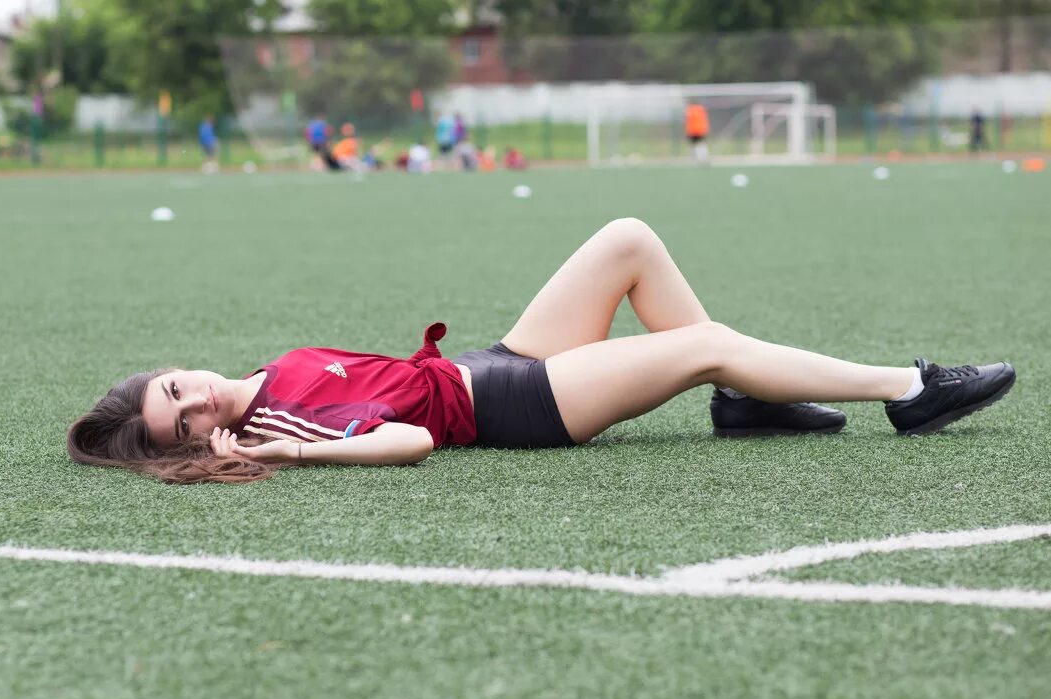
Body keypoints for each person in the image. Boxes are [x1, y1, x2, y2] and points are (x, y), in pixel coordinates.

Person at [68, 219, 1016, 484]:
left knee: (628, 240)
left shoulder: (269, 375)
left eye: (172, 388)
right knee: (704, 342)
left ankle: (745, 402)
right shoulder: (279, 419)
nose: (195, 404)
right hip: (515, 409)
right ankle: (908, 388)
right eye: (182, 424)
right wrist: (286, 450)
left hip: (494, 359)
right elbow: (411, 443)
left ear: (173, 367)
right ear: (193, 441)